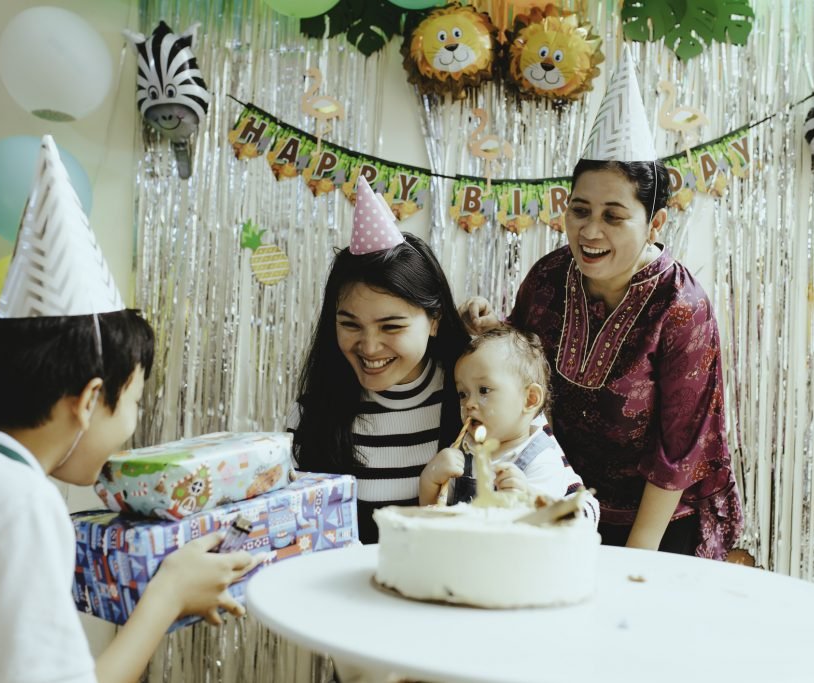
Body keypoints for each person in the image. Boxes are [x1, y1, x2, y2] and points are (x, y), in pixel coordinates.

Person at [0, 136, 258, 683]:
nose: (132, 426)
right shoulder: (16, 500)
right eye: (133, 402)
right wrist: (166, 596)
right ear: (90, 400)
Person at [461, 52, 742, 559]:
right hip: (554, 502)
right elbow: (522, 370)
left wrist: (635, 558)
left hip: (656, 525)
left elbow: (679, 449)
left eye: (614, 216)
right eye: (580, 210)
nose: (590, 232)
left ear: (655, 224)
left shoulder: (681, 308)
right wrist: (491, 330)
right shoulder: (548, 277)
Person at [289, 178, 469, 544]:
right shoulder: (313, 414)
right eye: (350, 324)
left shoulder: (474, 398)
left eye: (391, 326)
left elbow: (555, 492)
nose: (369, 347)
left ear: (434, 320)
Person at [419, 328, 599, 524]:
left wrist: (525, 499)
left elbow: (546, 529)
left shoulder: (543, 460)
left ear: (530, 399)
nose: (469, 403)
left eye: (484, 390)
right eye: (463, 394)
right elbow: (433, 519)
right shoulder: (464, 453)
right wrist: (430, 480)